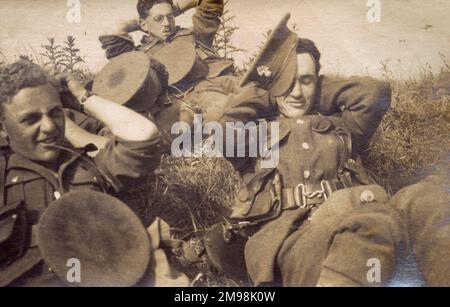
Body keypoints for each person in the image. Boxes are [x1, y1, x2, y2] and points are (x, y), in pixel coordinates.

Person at [203, 26, 408, 286]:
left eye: (306, 81)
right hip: (289, 239)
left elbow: (374, 93)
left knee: (422, 201)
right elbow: (223, 126)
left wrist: (318, 90)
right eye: (287, 82)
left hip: (354, 216)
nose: (297, 93)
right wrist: (267, 91)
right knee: (364, 232)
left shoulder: (343, 125)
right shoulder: (253, 134)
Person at [0, 59, 180, 286]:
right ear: (3, 125)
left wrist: (83, 98)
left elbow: (144, 135)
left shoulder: (89, 163)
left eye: (55, 113)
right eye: (30, 119)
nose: (49, 127)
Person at [99, 0, 240, 131]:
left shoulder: (193, 34)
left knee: (231, 114)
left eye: (170, 17)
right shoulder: (138, 55)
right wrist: (139, 23)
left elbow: (210, 4)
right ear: (143, 25)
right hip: (174, 105)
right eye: (159, 19)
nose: (166, 23)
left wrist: (177, 8)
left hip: (211, 90)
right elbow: (111, 31)